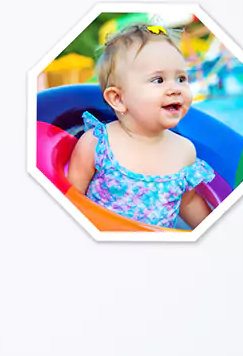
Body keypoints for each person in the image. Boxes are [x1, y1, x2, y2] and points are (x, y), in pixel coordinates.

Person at [66, 23, 214, 230]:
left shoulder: (185, 150)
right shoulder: (97, 143)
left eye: (181, 78)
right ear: (118, 99)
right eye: (158, 79)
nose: (175, 89)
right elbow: (71, 201)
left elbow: (188, 203)